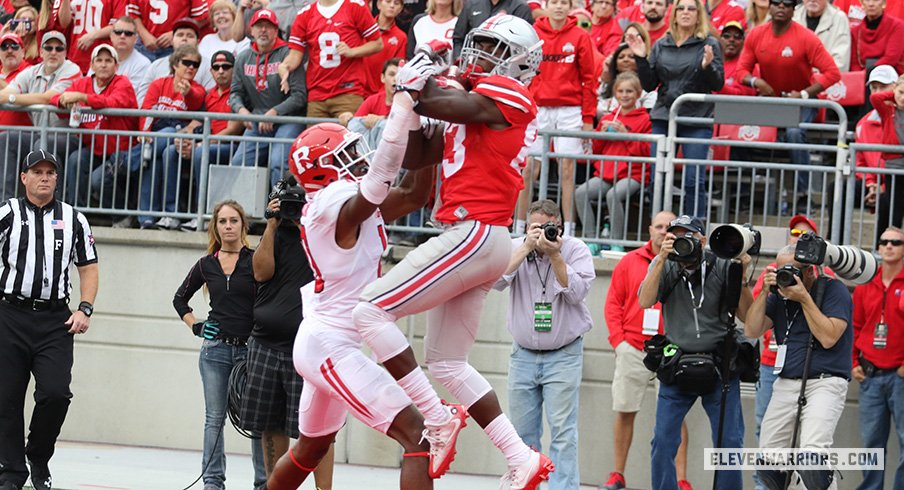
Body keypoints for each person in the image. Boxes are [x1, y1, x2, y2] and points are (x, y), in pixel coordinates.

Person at [351, 16, 555, 490]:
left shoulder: (512, 95)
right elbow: (417, 154)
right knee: (446, 362)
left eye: (493, 47)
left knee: (369, 310)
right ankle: (519, 455)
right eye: (477, 44)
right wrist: (409, 103)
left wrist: (422, 81)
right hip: (481, 235)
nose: (480, 54)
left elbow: (445, 98)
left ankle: (435, 417)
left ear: (521, 60)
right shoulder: (475, 105)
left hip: (474, 230)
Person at [266, 90, 442, 488]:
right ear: (319, 171)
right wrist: (401, 117)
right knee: (421, 434)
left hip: (329, 338)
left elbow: (415, 194)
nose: (357, 159)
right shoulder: (332, 204)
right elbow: (378, 183)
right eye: (345, 156)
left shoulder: (347, 204)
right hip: (331, 345)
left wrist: (428, 138)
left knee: (311, 450)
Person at [0, 149, 98, 490]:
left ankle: (38, 456)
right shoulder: (7, 213)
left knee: (56, 393)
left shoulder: (74, 219)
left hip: (55, 319)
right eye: (36, 171)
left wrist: (85, 308)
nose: (44, 177)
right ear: (24, 177)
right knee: (6, 397)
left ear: (57, 178)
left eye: (50, 172)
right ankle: (11, 471)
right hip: (9, 314)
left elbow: (88, 266)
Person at [638, 214, 752, 490]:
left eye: (687, 236)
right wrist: (662, 259)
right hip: (677, 364)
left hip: (719, 363)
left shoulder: (722, 265)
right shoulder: (664, 265)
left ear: (702, 240)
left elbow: (748, 316)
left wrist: (743, 276)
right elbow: (644, 300)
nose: (680, 242)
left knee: (729, 442)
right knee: (663, 441)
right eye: (674, 236)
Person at [492, 199, 594, 490]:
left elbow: (576, 294)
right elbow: (496, 281)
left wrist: (556, 256)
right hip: (523, 355)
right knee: (522, 433)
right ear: (526, 227)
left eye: (551, 227)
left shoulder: (575, 249)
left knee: (563, 432)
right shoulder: (515, 247)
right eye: (538, 227)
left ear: (560, 227)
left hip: (563, 355)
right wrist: (525, 247)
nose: (544, 233)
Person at [243, 179, 335, 490]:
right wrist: (271, 224)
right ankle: (275, 486)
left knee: (319, 428)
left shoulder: (323, 233)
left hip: (309, 346)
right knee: (270, 424)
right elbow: (260, 272)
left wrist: (307, 222)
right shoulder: (276, 233)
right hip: (267, 344)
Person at [172, 200, 266, 490]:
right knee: (214, 419)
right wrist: (196, 325)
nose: (228, 226)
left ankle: (264, 482)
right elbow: (179, 300)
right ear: (216, 226)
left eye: (233, 221)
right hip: (215, 351)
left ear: (242, 226)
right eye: (223, 221)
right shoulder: (206, 264)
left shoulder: (256, 260)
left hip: (250, 352)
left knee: (257, 420)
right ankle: (213, 482)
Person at [744, 244, 853, 490]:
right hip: (786, 381)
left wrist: (804, 298)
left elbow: (828, 337)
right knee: (769, 461)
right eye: (781, 269)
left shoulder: (833, 290)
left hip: (826, 381)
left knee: (812, 458)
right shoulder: (778, 296)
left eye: (792, 270)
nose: (787, 275)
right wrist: (763, 293)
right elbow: (751, 329)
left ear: (810, 270)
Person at [602, 210, 694, 490]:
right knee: (625, 410)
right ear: (649, 229)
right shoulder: (630, 262)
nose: (663, 231)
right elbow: (612, 304)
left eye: (669, 227)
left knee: (675, 415)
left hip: (672, 350)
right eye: (659, 226)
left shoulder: (687, 263)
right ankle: (617, 474)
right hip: (633, 347)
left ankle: (680, 479)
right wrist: (619, 343)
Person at [735, 0, 841, 201]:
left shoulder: (806, 37)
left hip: (802, 100)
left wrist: (803, 94)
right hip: (769, 99)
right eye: (776, 3)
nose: (781, 7)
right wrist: (757, 81)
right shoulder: (756, 34)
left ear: (794, 10)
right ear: (770, 7)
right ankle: (743, 191)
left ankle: (803, 193)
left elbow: (833, 73)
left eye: (787, 4)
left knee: (794, 132)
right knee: (739, 128)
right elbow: (741, 71)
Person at [748, 214, 825, 490]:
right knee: (764, 427)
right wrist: (769, 289)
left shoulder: (822, 278)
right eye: (794, 232)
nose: (797, 237)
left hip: (807, 366)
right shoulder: (772, 272)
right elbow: (754, 322)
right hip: (771, 363)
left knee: (808, 439)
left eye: (805, 235)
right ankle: (765, 485)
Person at [631, 0, 724, 218]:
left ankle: (695, 229)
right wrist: (640, 58)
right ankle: (658, 228)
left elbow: (718, 83)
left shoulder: (709, 43)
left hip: (697, 118)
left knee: (693, 179)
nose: (685, 13)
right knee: (658, 177)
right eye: (681, 8)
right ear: (673, 14)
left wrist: (707, 67)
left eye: (691, 9)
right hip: (664, 115)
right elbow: (649, 84)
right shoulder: (662, 43)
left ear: (698, 15)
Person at [518, 0, 596, 237]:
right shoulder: (533, 33)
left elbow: (590, 78)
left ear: (571, 6)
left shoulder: (580, 36)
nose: (559, 7)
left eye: (564, 2)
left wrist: (588, 118)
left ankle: (568, 230)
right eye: (554, 2)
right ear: (547, 5)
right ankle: (520, 227)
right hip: (537, 107)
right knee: (529, 168)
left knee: (567, 171)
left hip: (569, 109)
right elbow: (522, 71)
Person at [161, 49, 244, 232]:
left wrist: (202, 143)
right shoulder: (209, 94)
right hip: (207, 143)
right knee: (170, 151)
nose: (221, 70)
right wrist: (183, 137)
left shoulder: (239, 94)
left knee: (200, 153)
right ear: (212, 71)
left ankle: (203, 215)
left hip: (230, 147)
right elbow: (196, 121)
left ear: (234, 70)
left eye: (226, 67)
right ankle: (171, 214)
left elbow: (233, 129)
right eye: (216, 67)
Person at [49, 43, 139, 208]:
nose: (103, 64)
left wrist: (83, 98)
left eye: (108, 60)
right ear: (91, 65)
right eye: (99, 60)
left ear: (116, 66)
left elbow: (113, 102)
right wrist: (63, 101)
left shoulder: (122, 83)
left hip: (121, 150)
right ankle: (75, 211)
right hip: (94, 146)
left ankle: (121, 217)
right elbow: (55, 99)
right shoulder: (82, 83)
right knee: (76, 160)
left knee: (99, 180)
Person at [130, 45, 205, 230]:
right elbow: (148, 110)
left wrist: (187, 93)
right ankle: (146, 219)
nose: (191, 67)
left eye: (195, 65)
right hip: (157, 131)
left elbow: (195, 100)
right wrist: (144, 135)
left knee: (164, 140)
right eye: (186, 63)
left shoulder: (198, 89)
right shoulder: (159, 83)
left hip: (179, 133)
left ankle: (128, 160)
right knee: (152, 162)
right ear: (175, 64)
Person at [853, 226, 904, 490]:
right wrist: (853, 363)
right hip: (870, 375)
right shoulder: (866, 284)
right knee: (871, 446)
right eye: (884, 241)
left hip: (900, 377)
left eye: (896, 242)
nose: (889, 246)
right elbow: (856, 326)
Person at [230, 8, 306, 187]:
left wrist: (275, 112)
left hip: (288, 119)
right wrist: (242, 111)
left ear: (275, 30)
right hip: (257, 119)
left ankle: (278, 212)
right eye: (259, 26)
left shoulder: (288, 54)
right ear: (251, 30)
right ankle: (241, 211)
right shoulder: (242, 58)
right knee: (239, 163)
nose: (263, 30)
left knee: (278, 163)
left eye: (268, 26)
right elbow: (235, 93)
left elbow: (299, 96)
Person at [576, 72, 651, 248]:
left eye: (629, 91)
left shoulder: (644, 119)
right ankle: (591, 239)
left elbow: (646, 151)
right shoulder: (608, 118)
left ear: (638, 94)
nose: (625, 95)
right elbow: (596, 149)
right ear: (615, 93)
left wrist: (626, 135)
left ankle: (616, 242)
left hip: (634, 174)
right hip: (606, 173)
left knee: (614, 195)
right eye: (621, 91)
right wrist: (601, 134)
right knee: (581, 193)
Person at [0, 31, 80, 191]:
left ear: (65, 52)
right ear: (41, 52)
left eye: (59, 49)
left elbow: (48, 98)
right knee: (6, 139)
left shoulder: (72, 69)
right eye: (48, 48)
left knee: (43, 144)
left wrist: (15, 99)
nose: (53, 52)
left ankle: (51, 204)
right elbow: (4, 94)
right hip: (39, 132)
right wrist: (13, 97)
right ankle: (5, 202)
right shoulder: (32, 71)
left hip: (69, 135)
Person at [280, 0, 383, 119]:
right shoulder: (304, 14)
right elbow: (295, 55)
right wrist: (285, 66)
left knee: (349, 135)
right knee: (316, 137)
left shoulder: (355, 6)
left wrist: (353, 51)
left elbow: (377, 43)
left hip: (348, 92)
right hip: (317, 94)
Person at [135, 18, 214, 105]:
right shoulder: (157, 65)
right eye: (180, 35)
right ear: (172, 40)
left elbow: (209, 99)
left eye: (190, 36)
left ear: (198, 42)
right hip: (157, 115)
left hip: (190, 116)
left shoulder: (208, 66)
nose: (184, 38)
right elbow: (142, 98)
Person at [339, 57, 400, 150]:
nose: (396, 79)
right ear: (383, 78)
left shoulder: (412, 102)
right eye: (392, 74)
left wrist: (381, 120)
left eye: (400, 75)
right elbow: (356, 126)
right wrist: (348, 119)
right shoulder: (373, 100)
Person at [869, 75, 904, 236]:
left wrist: (897, 91)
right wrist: (893, 93)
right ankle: (888, 243)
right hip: (893, 167)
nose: (903, 98)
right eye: (901, 92)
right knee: (894, 210)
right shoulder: (888, 110)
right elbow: (875, 97)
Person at [126, 0, 210, 61]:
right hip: (145, 46)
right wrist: (144, 34)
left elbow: (201, 17)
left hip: (175, 48)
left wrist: (176, 33)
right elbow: (133, 14)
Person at [451, 0, 534, 57]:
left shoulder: (520, 7)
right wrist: (459, 58)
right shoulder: (472, 3)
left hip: (501, 66)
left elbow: (523, 46)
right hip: (472, 61)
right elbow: (458, 38)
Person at [66, 0, 125, 74]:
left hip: (103, 59)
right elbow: (63, 23)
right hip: (74, 56)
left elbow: (120, 26)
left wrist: (93, 36)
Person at [792, 0, 850, 72]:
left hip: (827, 80)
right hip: (794, 79)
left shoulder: (839, 19)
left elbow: (840, 63)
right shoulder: (792, 16)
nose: (813, 0)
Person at [363, 0, 407, 96]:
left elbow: (397, 69)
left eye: (396, 3)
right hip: (359, 90)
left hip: (382, 94)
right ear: (379, 4)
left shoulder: (401, 37)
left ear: (400, 9)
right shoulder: (363, 29)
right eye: (388, 1)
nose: (392, 6)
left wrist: (382, 94)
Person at [849, 0, 904, 73]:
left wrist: (868, 72)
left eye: (876, 0)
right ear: (862, 4)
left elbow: (891, 58)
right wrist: (859, 77)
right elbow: (854, 63)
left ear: (884, 3)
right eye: (867, 0)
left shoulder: (897, 26)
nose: (871, 4)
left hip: (891, 75)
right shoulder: (855, 31)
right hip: (862, 77)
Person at [601, 0, 670, 56]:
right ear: (642, 7)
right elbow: (611, 46)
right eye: (649, 2)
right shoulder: (629, 22)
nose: (653, 7)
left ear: (667, 10)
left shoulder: (670, 34)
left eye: (658, 4)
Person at [108, 16, 151, 95]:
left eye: (128, 33)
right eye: (118, 32)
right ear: (111, 36)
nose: (122, 36)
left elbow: (128, 95)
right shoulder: (99, 57)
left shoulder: (143, 64)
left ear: (135, 39)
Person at [715, 21, 756, 96]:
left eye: (737, 37)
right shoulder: (713, 63)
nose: (731, 40)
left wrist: (717, 84)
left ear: (743, 42)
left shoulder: (747, 66)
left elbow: (743, 96)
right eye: (726, 36)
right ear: (720, 40)